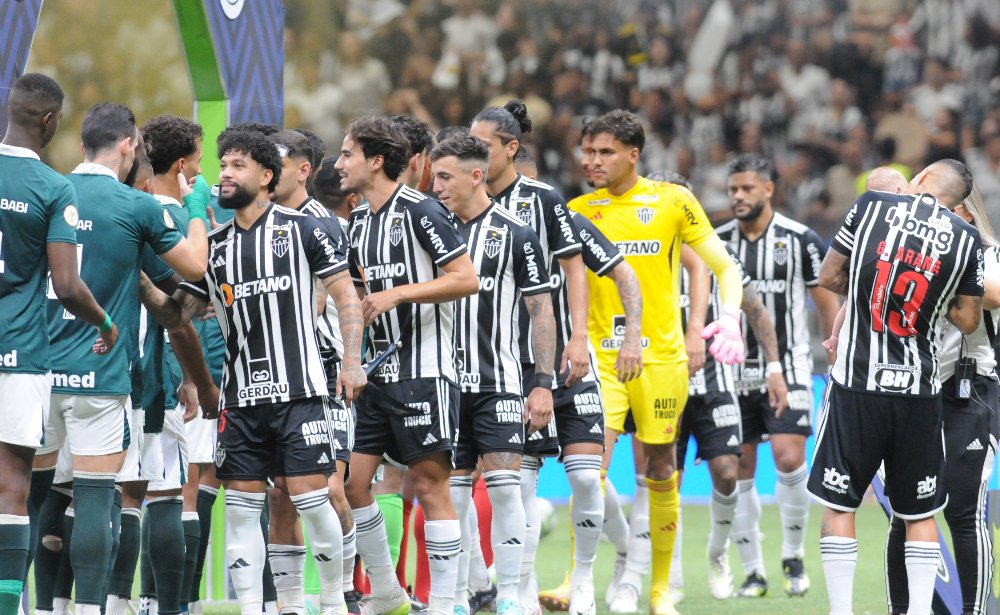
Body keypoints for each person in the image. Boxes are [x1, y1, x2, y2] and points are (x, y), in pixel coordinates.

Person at [141, 129, 365, 615]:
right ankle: (257, 609)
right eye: (223, 164)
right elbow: (177, 315)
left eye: (237, 165)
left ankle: (332, 603)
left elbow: (347, 295)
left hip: (301, 393)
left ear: (266, 176)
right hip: (240, 401)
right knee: (243, 511)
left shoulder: (304, 228)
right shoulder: (214, 248)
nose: (224, 173)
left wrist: (351, 361)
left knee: (313, 501)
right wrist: (138, 277)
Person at [30, 103, 210, 615]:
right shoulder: (135, 207)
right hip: (104, 371)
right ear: (129, 145)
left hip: (37, 369)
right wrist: (197, 208)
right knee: (97, 495)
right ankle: (99, 607)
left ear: (81, 143)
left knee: (36, 496)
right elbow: (193, 271)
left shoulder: (47, 191)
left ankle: (38, 607)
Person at [569, 110, 746, 615]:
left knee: (662, 468)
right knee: (587, 471)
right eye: (588, 151)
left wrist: (726, 319)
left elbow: (722, 266)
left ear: (633, 155)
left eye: (604, 152)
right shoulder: (578, 209)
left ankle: (659, 588)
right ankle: (585, 576)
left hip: (662, 359)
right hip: (602, 359)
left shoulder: (673, 201)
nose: (592, 161)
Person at [809, 158, 984, 615]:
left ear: (921, 179)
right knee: (919, 512)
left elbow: (827, 276)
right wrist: (930, 296)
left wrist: (871, 289)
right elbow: (969, 319)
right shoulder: (966, 238)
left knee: (840, 504)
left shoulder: (872, 205)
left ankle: (841, 611)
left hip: (858, 382)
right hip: (919, 391)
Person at [336, 116, 479, 615]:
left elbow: (466, 278)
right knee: (353, 485)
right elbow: (357, 297)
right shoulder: (358, 221)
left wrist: (398, 293)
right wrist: (352, 359)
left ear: (376, 161)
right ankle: (388, 593)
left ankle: (443, 602)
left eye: (348, 154)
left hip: (426, 371)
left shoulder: (422, 210)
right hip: (376, 376)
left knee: (431, 484)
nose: (339, 164)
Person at [469, 100, 597, 615]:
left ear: (510, 148)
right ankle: (521, 587)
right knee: (517, 481)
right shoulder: (461, 202)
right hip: (505, 364)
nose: (474, 154)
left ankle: (583, 580)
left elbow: (574, 268)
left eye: (482, 146)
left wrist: (579, 336)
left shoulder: (543, 199)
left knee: (585, 476)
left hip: (559, 358)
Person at [0, 73, 118, 615]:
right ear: (49, 121)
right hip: (20, 354)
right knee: (12, 488)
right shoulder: (52, 188)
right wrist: (105, 323)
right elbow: (67, 287)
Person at [429, 134, 556, 615]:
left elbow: (541, 311)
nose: (437, 187)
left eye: (446, 177)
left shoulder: (516, 233)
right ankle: (464, 595)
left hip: (499, 382)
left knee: (506, 488)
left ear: (476, 175)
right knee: (453, 494)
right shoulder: (432, 229)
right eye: (435, 177)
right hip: (443, 383)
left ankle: (511, 597)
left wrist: (541, 383)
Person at [653, 170, 789, 602]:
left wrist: (773, 366)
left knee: (728, 474)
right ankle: (671, 576)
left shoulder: (717, 251)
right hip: (662, 380)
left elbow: (755, 310)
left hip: (714, 380)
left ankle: (717, 552)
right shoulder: (643, 250)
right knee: (665, 481)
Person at [714, 154, 840, 598]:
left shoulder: (800, 238)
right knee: (739, 467)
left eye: (747, 188)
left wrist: (835, 356)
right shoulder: (716, 242)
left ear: (768, 189)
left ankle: (792, 555)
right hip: (732, 371)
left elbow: (825, 303)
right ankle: (752, 570)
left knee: (788, 458)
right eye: (733, 189)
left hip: (790, 365)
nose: (738, 196)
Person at [882, 183, 999, 615]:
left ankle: (973, 611)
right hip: (916, 390)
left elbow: (994, 293)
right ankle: (901, 609)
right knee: (906, 512)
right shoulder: (911, 253)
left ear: (965, 214)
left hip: (971, 394)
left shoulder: (988, 252)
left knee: (965, 512)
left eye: (942, 208)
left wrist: (938, 274)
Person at [265, 129, 366, 615]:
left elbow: (324, 298)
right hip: (275, 376)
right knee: (281, 494)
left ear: (303, 170)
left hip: (323, 374)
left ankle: (343, 592)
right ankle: (289, 605)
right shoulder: (260, 222)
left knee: (330, 489)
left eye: (277, 164)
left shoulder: (321, 224)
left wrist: (350, 361)